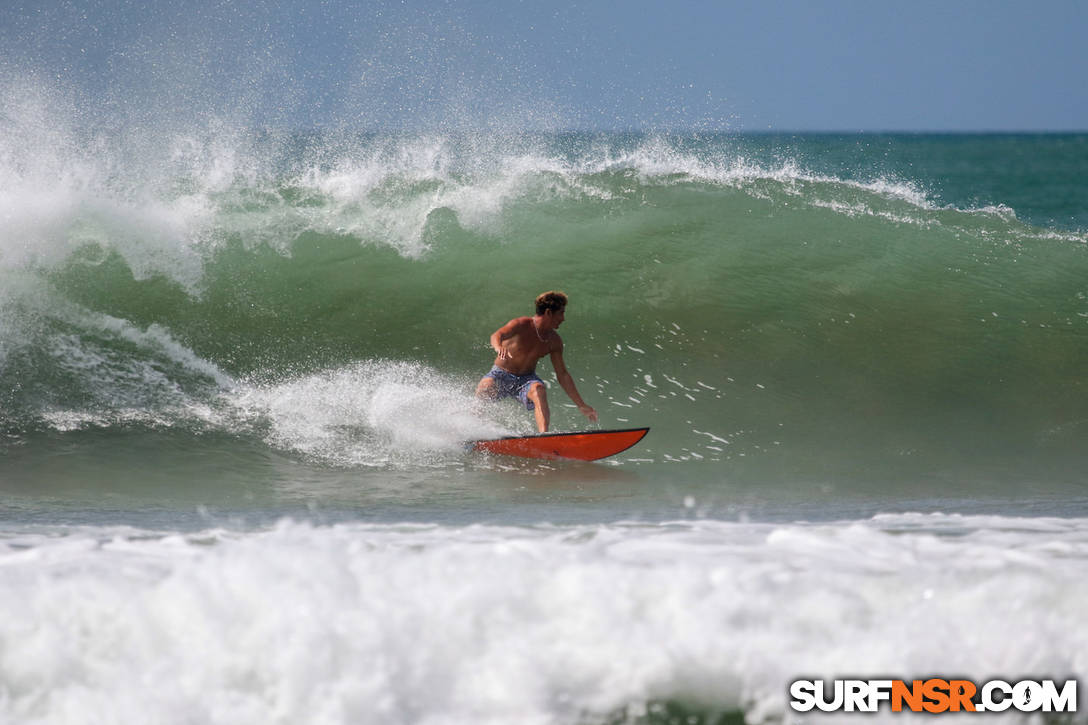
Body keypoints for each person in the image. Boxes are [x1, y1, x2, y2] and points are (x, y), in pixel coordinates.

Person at [475, 291, 599, 433]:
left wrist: (581, 405)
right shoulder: (521, 324)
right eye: (561, 313)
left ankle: (544, 435)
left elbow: (563, 374)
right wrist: (498, 346)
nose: (563, 318)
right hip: (501, 373)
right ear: (548, 312)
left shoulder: (554, 341)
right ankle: (473, 429)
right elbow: (497, 335)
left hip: (526, 379)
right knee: (485, 387)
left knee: (539, 389)